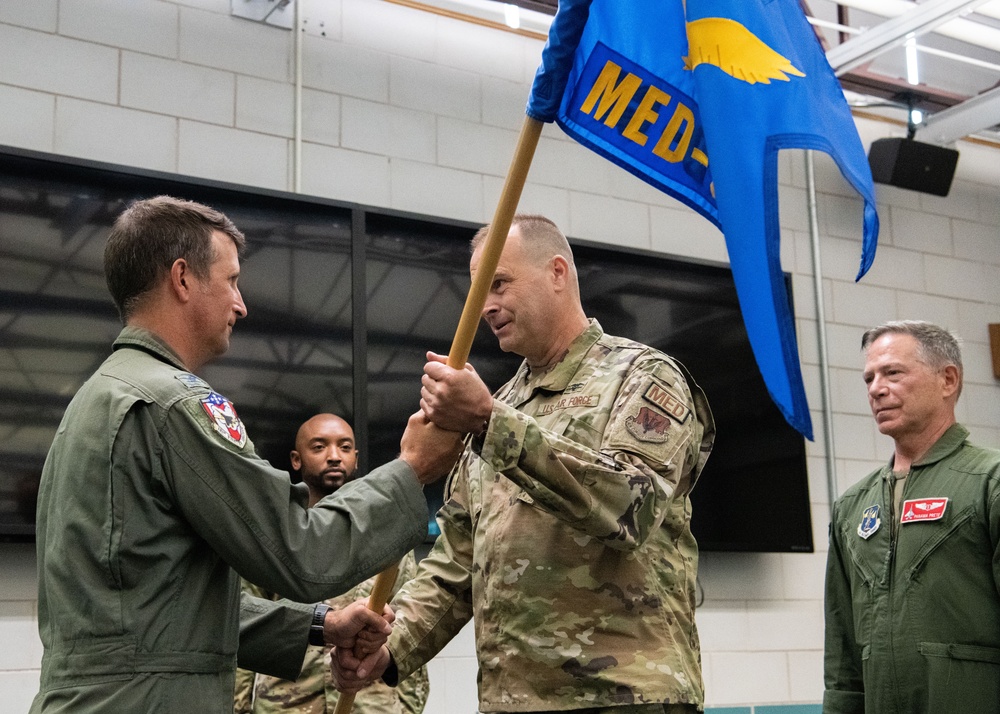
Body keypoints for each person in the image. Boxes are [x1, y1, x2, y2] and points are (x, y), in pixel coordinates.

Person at [30, 196, 461, 714]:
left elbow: (164, 614)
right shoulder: (177, 405)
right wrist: (413, 469)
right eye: (231, 280)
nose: (242, 304)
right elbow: (299, 552)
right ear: (183, 278)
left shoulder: (96, 399)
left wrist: (320, 624)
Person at [333, 214, 715, 714]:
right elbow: (456, 562)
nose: (485, 307)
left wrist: (491, 423)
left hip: (624, 696)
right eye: (477, 292)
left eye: (499, 284)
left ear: (557, 272)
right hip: (512, 701)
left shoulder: (642, 375)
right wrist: (390, 647)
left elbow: (630, 508)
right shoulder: (497, 405)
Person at [823, 320, 1000, 714]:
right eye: (869, 377)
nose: (876, 388)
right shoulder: (851, 507)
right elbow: (842, 657)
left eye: (893, 373)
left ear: (948, 380)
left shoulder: (990, 482)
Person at [235, 413, 429, 714]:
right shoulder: (274, 534)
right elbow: (246, 620)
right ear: (296, 459)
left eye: (345, 447)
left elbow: (408, 622)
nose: (335, 456)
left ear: (356, 457)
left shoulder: (387, 536)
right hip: (286, 702)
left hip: (371, 702)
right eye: (319, 447)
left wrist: (407, 707)